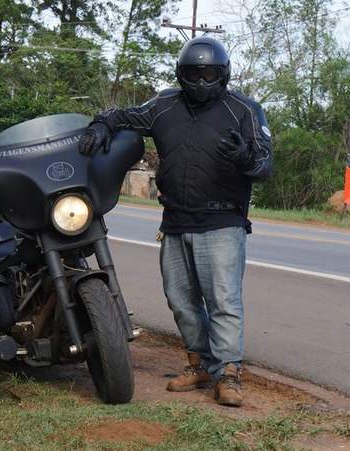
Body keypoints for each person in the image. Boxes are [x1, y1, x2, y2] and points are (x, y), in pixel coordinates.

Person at [78, 36, 272, 407]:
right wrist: (100, 125)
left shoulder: (245, 110)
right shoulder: (165, 105)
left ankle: (228, 373)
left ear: (224, 74)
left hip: (222, 220)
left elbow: (265, 165)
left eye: (209, 74)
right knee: (180, 299)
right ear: (180, 74)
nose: (201, 82)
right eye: (193, 74)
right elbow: (123, 115)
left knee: (223, 300)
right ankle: (199, 364)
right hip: (176, 220)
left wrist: (244, 156)